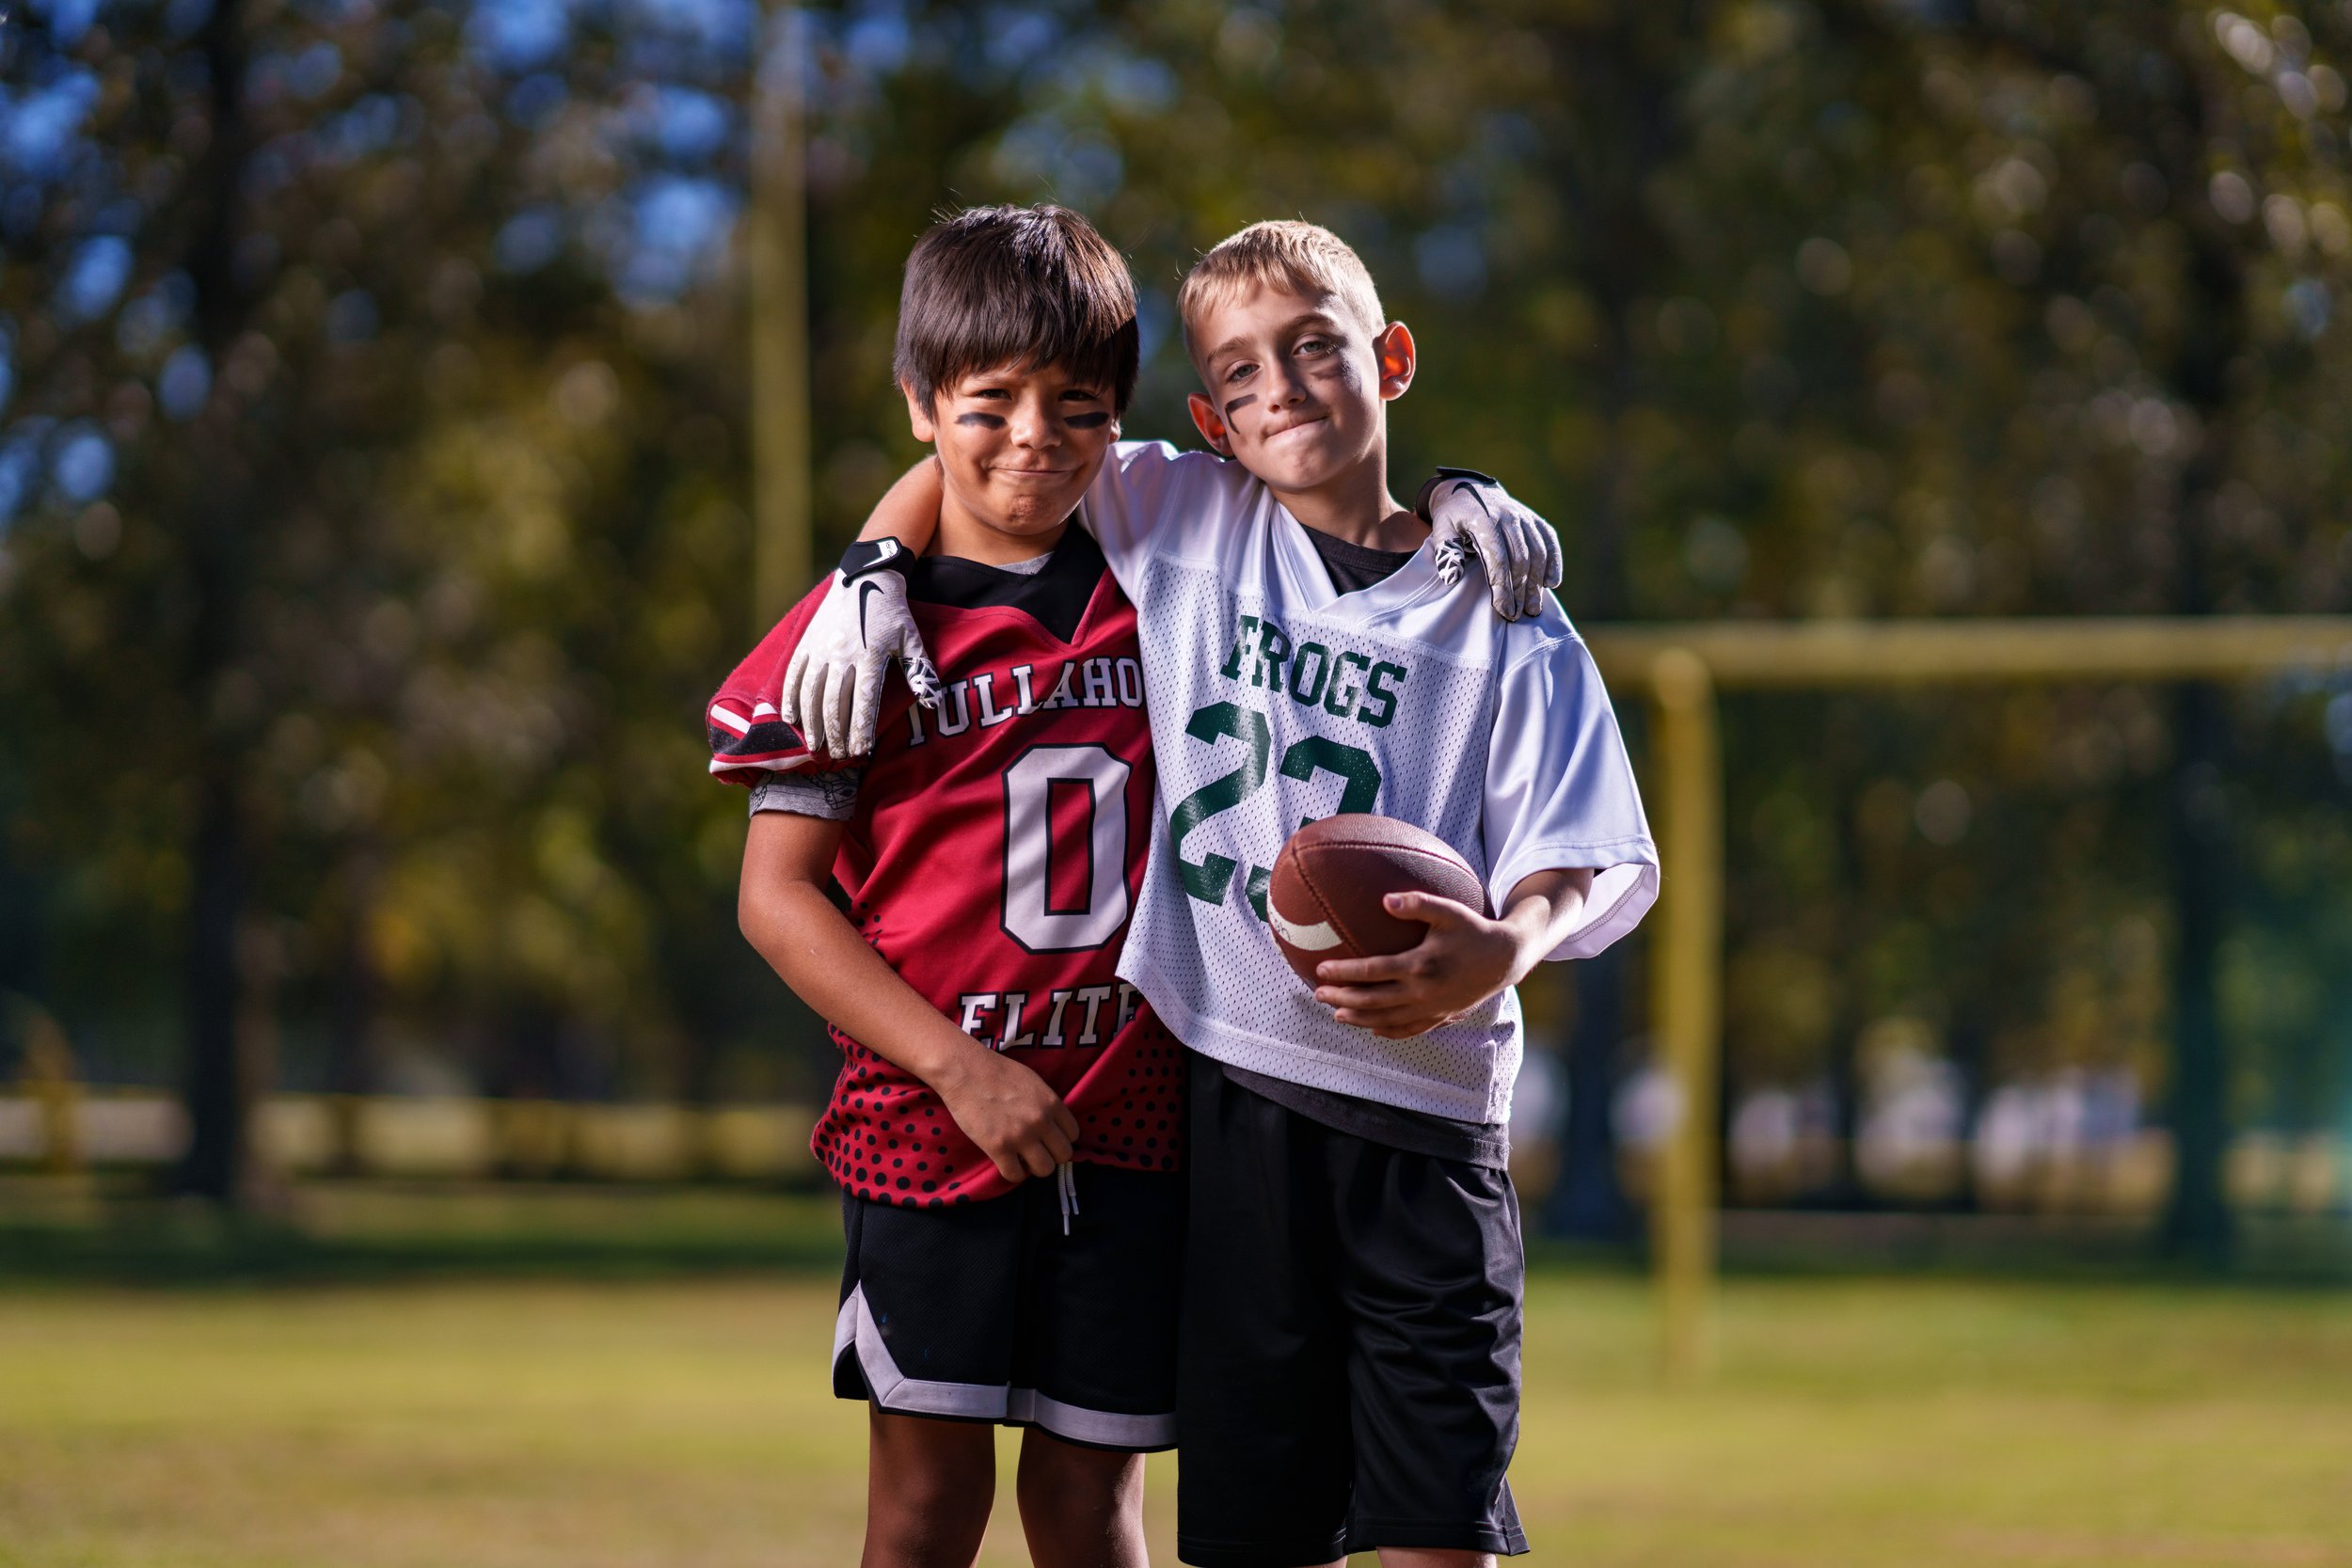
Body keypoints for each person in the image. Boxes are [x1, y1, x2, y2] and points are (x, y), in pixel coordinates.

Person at [712, 206, 1563, 1568]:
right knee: (926, 1509)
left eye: (1079, 409)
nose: (1035, 439)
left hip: (1137, 1123)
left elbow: (1334, 494)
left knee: (1092, 1505)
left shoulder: (1162, 569)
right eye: (990, 406)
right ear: (921, 404)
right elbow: (775, 898)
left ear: (1126, 423)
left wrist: (1469, 500)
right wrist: (869, 564)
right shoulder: (859, 635)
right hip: (934, 1127)